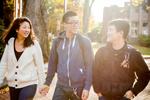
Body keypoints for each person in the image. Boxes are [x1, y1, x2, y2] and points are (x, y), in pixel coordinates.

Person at [39, 11, 94, 100]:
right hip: (61, 86)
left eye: (77, 22)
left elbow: (90, 66)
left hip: (78, 87)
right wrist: (47, 83)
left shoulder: (85, 42)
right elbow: (52, 63)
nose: (76, 25)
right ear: (64, 24)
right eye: (72, 22)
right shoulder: (57, 41)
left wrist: (87, 87)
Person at [93, 19, 150, 100]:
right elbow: (95, 72)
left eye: (111, 30)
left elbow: (145, 75)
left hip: (124, 98)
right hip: (104, 97)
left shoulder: (133, 54)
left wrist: (133, 91)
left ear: (121, 33)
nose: (107, 33)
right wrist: (98, 91)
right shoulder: (101, 52)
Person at [0, 17, 45, 100]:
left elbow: (40, 65)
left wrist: (42, 85)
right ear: (17, 29)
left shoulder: (34, 44)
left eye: (29, 27)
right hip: (13, 84)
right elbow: (3, 63)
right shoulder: (10, 42)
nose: (27, 30)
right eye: (24, 27)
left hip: (30, 83)